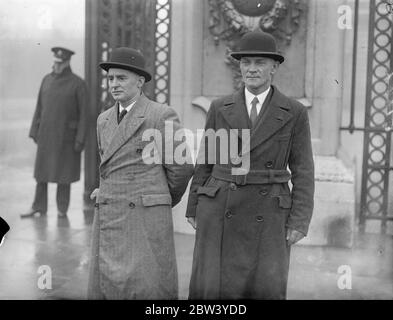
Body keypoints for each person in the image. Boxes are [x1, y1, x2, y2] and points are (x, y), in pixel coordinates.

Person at [186, 30, 315, 299]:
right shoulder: (220, 107)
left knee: (264, 288)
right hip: (221, 208)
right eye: (246, 63)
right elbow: (205, 160)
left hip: (268, 214)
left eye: (260, 63)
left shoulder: (294, 111)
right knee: (216, 290)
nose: (252, 69)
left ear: (274, 68)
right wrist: (194, 205)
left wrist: (299, 221)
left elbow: (304, 171)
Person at [87, 47, 194, 299]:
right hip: (110, 212)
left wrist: (158, 198)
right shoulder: (103, 119)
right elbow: (109, 166)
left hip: (144, 218)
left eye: (121, 78)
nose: (114, 84)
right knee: (109, 286)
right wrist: (107, 189)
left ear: (140, 81)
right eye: (111, 78)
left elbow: (182, 167)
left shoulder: (160, 115)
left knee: (146, 287)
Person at [21, 47, 88, 219]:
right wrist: (34, 131)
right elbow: (39, 108)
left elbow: (84, 115)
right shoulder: (46, 80)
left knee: (63, 176)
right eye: (55, 62)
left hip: (67, 138)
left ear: (67, 63)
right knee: (41, 175)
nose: (57, 66)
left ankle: (62, 210)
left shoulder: (78, 84)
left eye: (60, 63)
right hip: (46, 135)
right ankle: (38, 206)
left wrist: (80, 140)